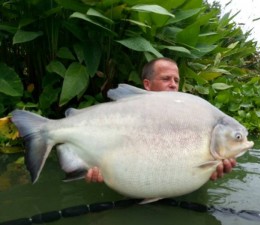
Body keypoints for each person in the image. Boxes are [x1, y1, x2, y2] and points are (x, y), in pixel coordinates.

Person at [85, 57, 236, 183]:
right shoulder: (123, 116)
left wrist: (209, 170)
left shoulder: (190, 117)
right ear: (147, 85)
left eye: (176, 80)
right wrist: (93, 164)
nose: (173, 84)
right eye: (166, 79)